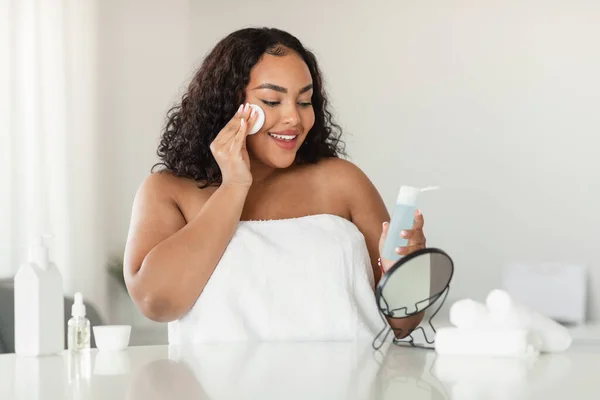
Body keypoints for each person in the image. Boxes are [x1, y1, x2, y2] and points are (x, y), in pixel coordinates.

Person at [123, 27, 427, 344]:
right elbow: (157, 303)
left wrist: (403, 271)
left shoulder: (342, 181)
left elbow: (400, 323)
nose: (293, 118)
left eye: (305, 101)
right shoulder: (168, 192)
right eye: (271, 100)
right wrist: (234, 187)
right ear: (227, 104)